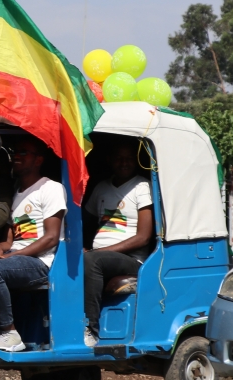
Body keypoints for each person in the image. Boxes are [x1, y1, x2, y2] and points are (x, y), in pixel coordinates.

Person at [0, 136, 67, 352]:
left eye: (23, 152)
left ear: (38, 160)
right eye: (15, 152)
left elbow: (50, 238)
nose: (16, 156)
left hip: (41, 262)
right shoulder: (17, 192)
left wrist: (11, 256)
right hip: (19, 257)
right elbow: (12, 238)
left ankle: (9, 332)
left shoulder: (50, 188)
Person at [83, 141, 154, 346]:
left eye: (129, 158)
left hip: (131, 260)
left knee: (91, 261)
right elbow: (86, 222)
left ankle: (90, 328)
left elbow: (143, 237)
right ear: (109, 161)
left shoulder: (142, 187)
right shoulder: (102, 188)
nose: (124, 163)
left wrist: (97, 252)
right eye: (118, 158)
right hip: (100, 256)